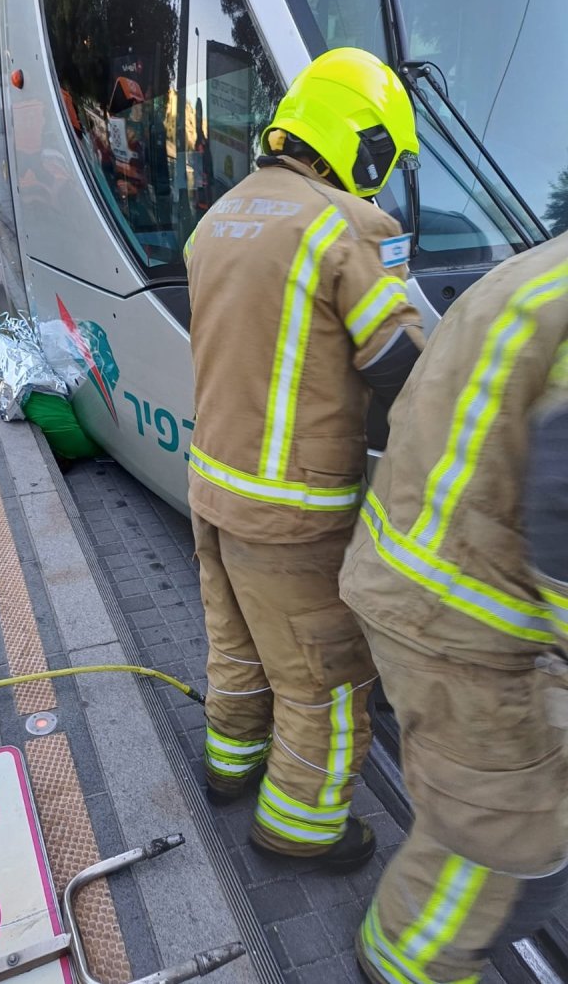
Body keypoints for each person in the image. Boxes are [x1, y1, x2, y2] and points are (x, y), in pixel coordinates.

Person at [183, 47, 424, 870]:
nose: (384, 178)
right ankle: (304, 826)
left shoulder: (220, 219)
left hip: (212, 489)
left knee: (239, 647)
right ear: (363, 145)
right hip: (295, 514)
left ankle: (229, 767)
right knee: (326, 677)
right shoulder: (349, 227)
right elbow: (400, 363)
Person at [339, 232, 568, 982]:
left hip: (429, 584)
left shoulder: (542, 270)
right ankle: (406, 959)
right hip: (459, 621)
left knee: (492, 802)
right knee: (507, 831)